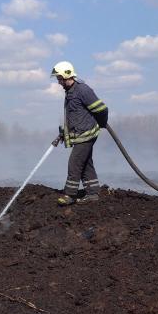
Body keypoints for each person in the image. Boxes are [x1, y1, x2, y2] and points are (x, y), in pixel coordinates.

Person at [51, 61, 108, 206]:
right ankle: (93, 193)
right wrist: (65, 132)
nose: (58, 82)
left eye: (59, 78)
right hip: (81, 134)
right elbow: (73, 116)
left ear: (67, 75)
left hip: (86, 134)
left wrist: (101, 124)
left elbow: (101, 109)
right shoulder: (70, 91)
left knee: (74, 163)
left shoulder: (83, 90)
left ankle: (70, 195)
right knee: (86, 163)